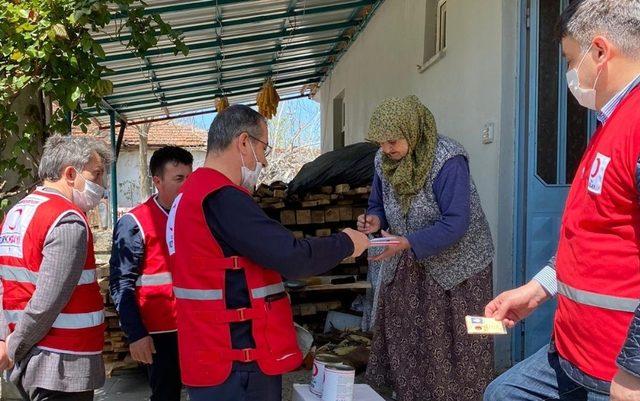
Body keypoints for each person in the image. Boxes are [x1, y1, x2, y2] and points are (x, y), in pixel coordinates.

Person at [483, 2, 640, 401]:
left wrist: (635, 369)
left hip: (617, 372)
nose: (570, 74)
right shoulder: (612, 121)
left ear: (601, 52)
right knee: (501, 394)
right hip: (572, 352)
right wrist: (536, 290)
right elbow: (592, 233)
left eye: (572, 59)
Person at [166, 104, 369, 401]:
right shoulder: (222, 198)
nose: (262, 160)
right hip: (239, 361)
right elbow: (293, 257)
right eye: (264, 149)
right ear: (244, 142)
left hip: (210, 353)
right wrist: (347, 242)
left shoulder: (189, 194)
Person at [359, 95, 495, 401]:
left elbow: (456, 222)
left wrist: (408, 242)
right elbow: (377, 204)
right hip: (410, 256)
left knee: (461, 341)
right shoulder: (383, 162)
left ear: (413, 130)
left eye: (393, 141)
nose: (386, 149)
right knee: (410, 335)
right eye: (381, 142)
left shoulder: (448, 159)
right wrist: (373, 219)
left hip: (462, 266)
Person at [0, 135, 111, 401]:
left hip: (33, 359)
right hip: (62, 364)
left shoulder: (19, 212)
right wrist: (13, 348)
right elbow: (47, 302)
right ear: (70, 173)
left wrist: (7, 342)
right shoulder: (67, 220)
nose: (102, 186)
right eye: (96, 175)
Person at [109, 146, 193, 401]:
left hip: (193, 325)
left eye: (190, 177)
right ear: (157, 181)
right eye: (179, 179)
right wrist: (136, 335)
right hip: (159, 332)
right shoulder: (135, 223)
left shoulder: (194, 216)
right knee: (166, 394)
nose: (186, 185)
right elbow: (120, 284)